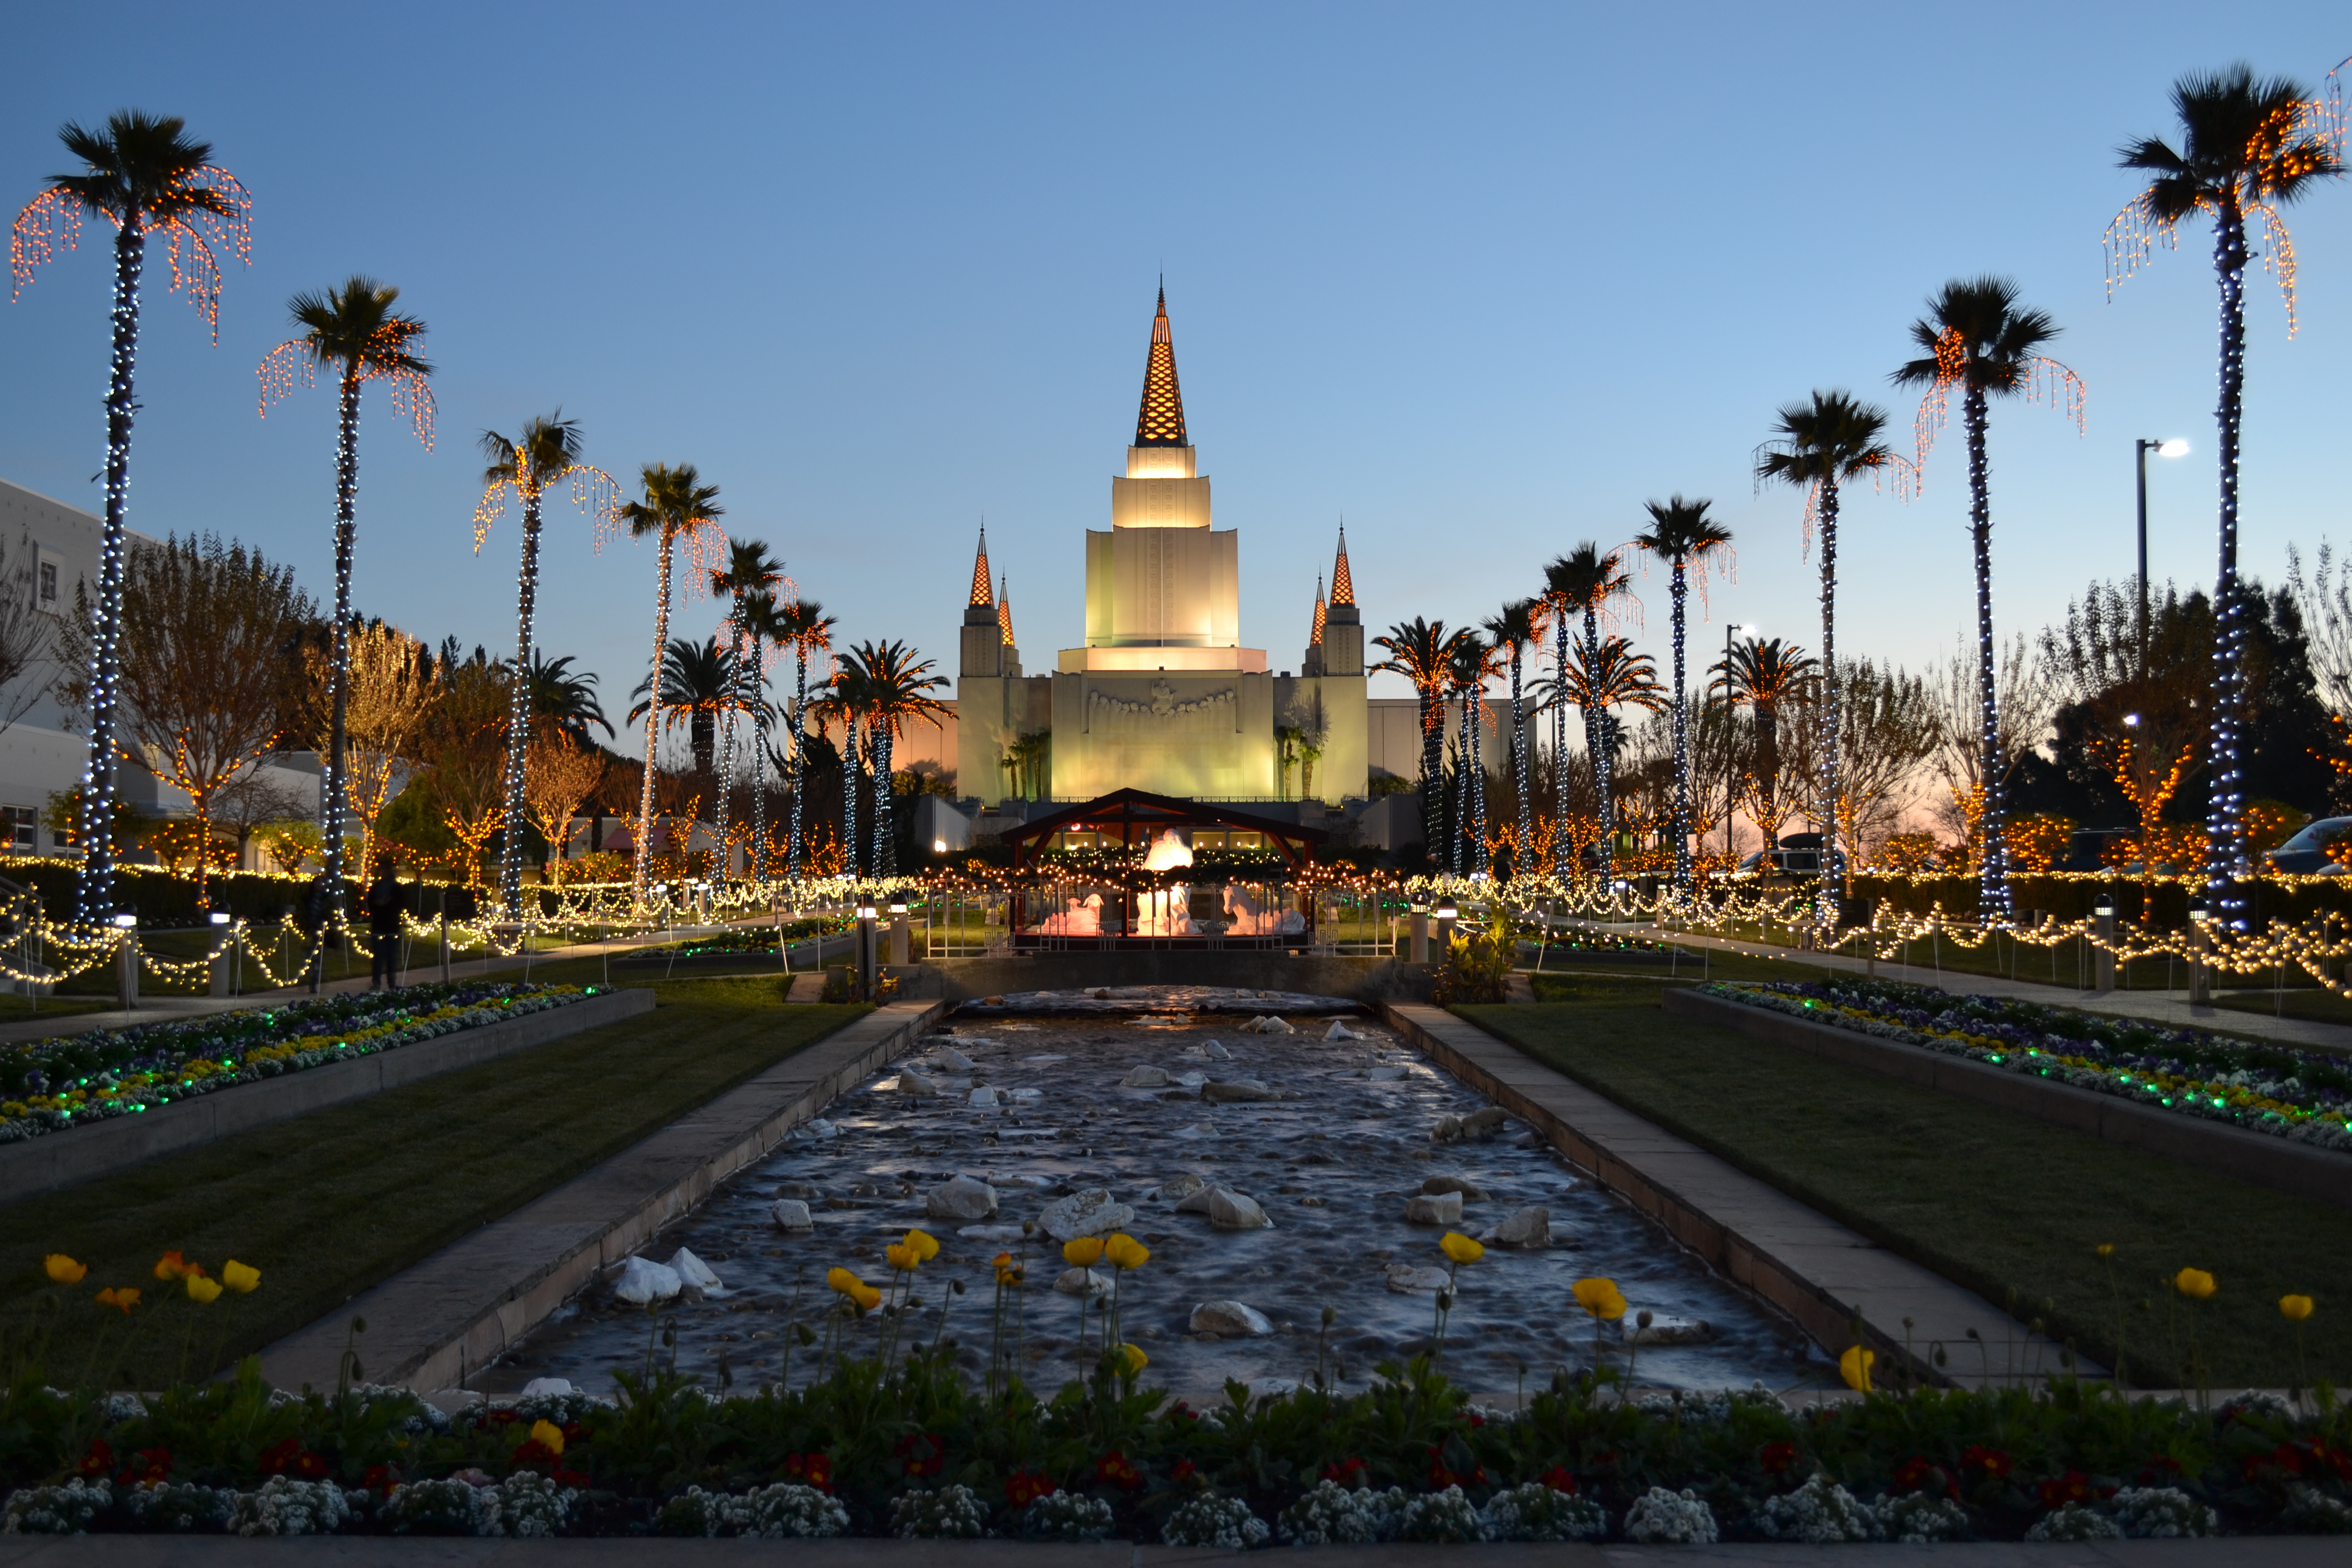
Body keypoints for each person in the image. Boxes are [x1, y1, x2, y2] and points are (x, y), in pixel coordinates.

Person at [366, 860, 406, 990]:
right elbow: (370, 902)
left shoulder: (397, 888)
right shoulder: (376, 887)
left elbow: (400, 904)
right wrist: (378, 905)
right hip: (378, 924)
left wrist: (387, 904)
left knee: (391, 957)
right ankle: (376, 982)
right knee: (378, 956)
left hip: (391, 925)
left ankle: (391, 982)